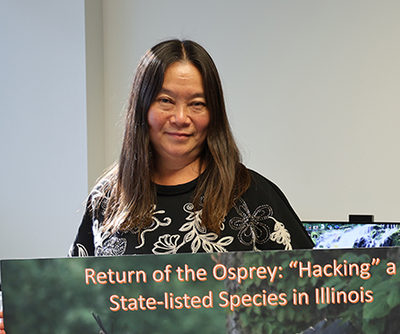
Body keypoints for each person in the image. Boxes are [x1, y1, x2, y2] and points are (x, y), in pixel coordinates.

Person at [69, 39, 313, 257]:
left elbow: (312, 286)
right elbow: (77, 294)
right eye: (165, 100)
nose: (181, 117)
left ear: (213, 113)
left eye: (197, 103)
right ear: (142, 107)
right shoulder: (107, 199)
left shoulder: (253, 195)